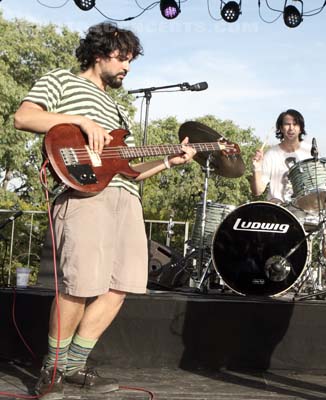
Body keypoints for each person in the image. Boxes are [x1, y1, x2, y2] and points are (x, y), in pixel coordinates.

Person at [13, 22, 196, 399]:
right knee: (80, 285)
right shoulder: (61, 81)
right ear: (99, 53)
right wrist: (78, 119)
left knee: (121, 286)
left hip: (125, 198)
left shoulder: (116, 108)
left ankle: (74, 366)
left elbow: (129, 168)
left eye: (131, 60)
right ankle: (52, 371)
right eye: (123, 58)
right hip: (84, 197)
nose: (128, 67)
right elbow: (24, 117)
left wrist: (169, 162)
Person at [250, 109, 326, 281]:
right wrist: (256, 167)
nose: (291, 128)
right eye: (287, 124)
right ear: (280, 128)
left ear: (300, 127)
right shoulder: (271, 154)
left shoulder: (309, 153)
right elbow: (257, 191)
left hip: (307, 207)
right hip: (281, 210)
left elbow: (318, 186)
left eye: (295, 124)